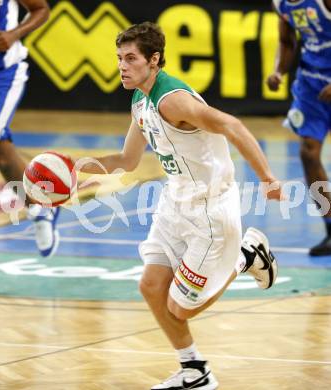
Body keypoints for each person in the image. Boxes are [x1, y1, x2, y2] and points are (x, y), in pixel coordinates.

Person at [76, 22, 283, 390]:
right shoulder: (140, 100)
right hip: (175, 202)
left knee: (181, 307)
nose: (122, 66)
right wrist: (85, 171)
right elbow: (127, 159)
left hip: (210, 210)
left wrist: (267, 176)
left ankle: (247, 255)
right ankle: (194, 370)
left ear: (154, 60)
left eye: (131, 58)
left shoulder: (173, 100)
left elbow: (232, 125)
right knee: (151, 287)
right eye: (119, 58)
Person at [267, 0, 331, 256]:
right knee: (308, 153)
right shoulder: (280, 4)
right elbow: (287, 42)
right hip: (311, 86)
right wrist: (279, 72)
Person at [0, 0, 60, 257]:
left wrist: (13, 34)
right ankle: (42, 204)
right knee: (1, 152)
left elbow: (41, 8)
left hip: (5, 74)